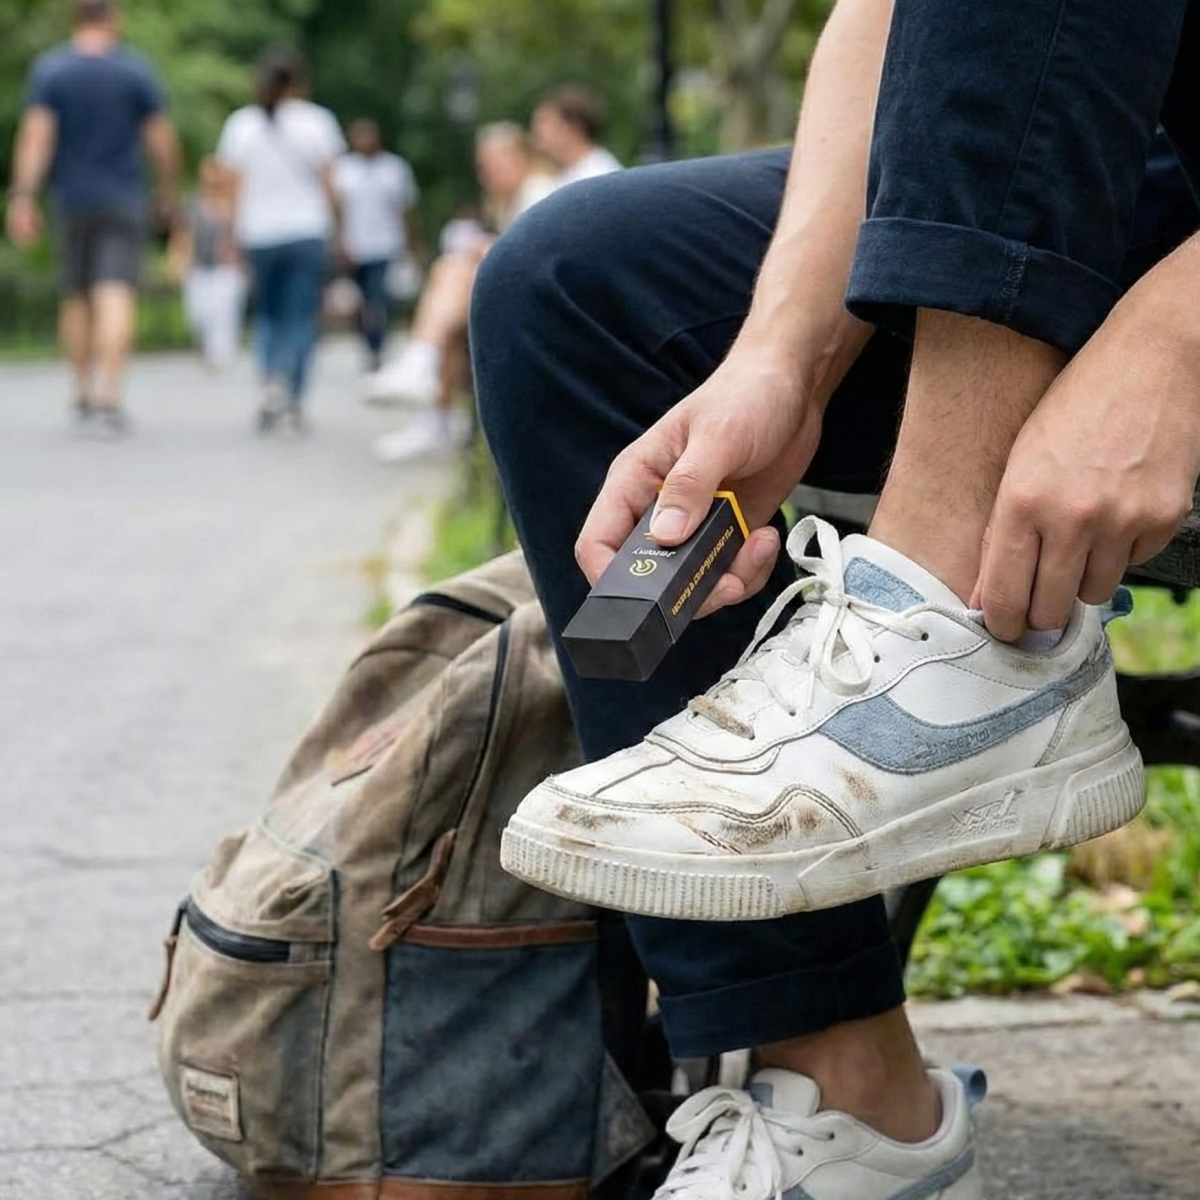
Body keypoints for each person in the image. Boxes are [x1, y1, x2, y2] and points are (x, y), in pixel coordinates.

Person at [470, 0, 1200, 1196]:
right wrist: (782, 359)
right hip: (1103, 149)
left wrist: (1173, 343)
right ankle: (843, 1094)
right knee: (577, 282)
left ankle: (952, 628)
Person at [5, 0, 180, 434]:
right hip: (124, 198)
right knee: (116, 292)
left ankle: (82, 392)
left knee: (77, 295)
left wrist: (23, 197)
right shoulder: (135, 71)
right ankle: (108, 398)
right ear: (113, 18)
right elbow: (160, 138)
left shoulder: (51, 71)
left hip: (72, 199)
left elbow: (36, 136)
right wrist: (168, 192)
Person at [369, 123, 558, 463]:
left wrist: (480, 249)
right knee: (455, 319)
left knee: (452, 270)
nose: (487, 176)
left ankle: (421, 363)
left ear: (520, 158)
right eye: (483, 168)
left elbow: (530, 254)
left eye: (494, 166)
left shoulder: (538, 191)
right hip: (527, 295)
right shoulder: (511, 199)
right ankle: (433, 409)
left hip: (543, 302)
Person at [216, 47, 344, 434]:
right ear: (299, 82)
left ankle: (270, 382)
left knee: (268, 315)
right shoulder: (317, 122)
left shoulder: (242, 124)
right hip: (306, 231)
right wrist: (340, 229)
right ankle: (295, 396)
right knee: (301, 316)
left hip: (259, 233)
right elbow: (330, 185)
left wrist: (230, 234)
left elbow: (232, 187)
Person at [334, 118, 421, 372]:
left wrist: (411, 243)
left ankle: (377, 345)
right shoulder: (344, 170)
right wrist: (340, 242)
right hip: (355, 246)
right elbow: (337, 210)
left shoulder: (394, 169)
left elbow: (406, 209)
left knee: (378, 297)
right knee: (360, 300)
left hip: (386, 244)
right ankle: (367, 340)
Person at [170, 156, 246, 372]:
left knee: (224, 313)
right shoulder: (193, 203)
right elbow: (183, 234)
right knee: (199, 315)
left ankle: (221, 356)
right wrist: (179, 260)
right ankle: (207, 348)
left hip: (225, 269)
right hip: (199, 268)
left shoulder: (235, 204)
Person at [531, 84, 621, 183]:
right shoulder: (568, 173)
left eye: (545, 121)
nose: (537, 130)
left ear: (573, 127)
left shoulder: (598, 175)